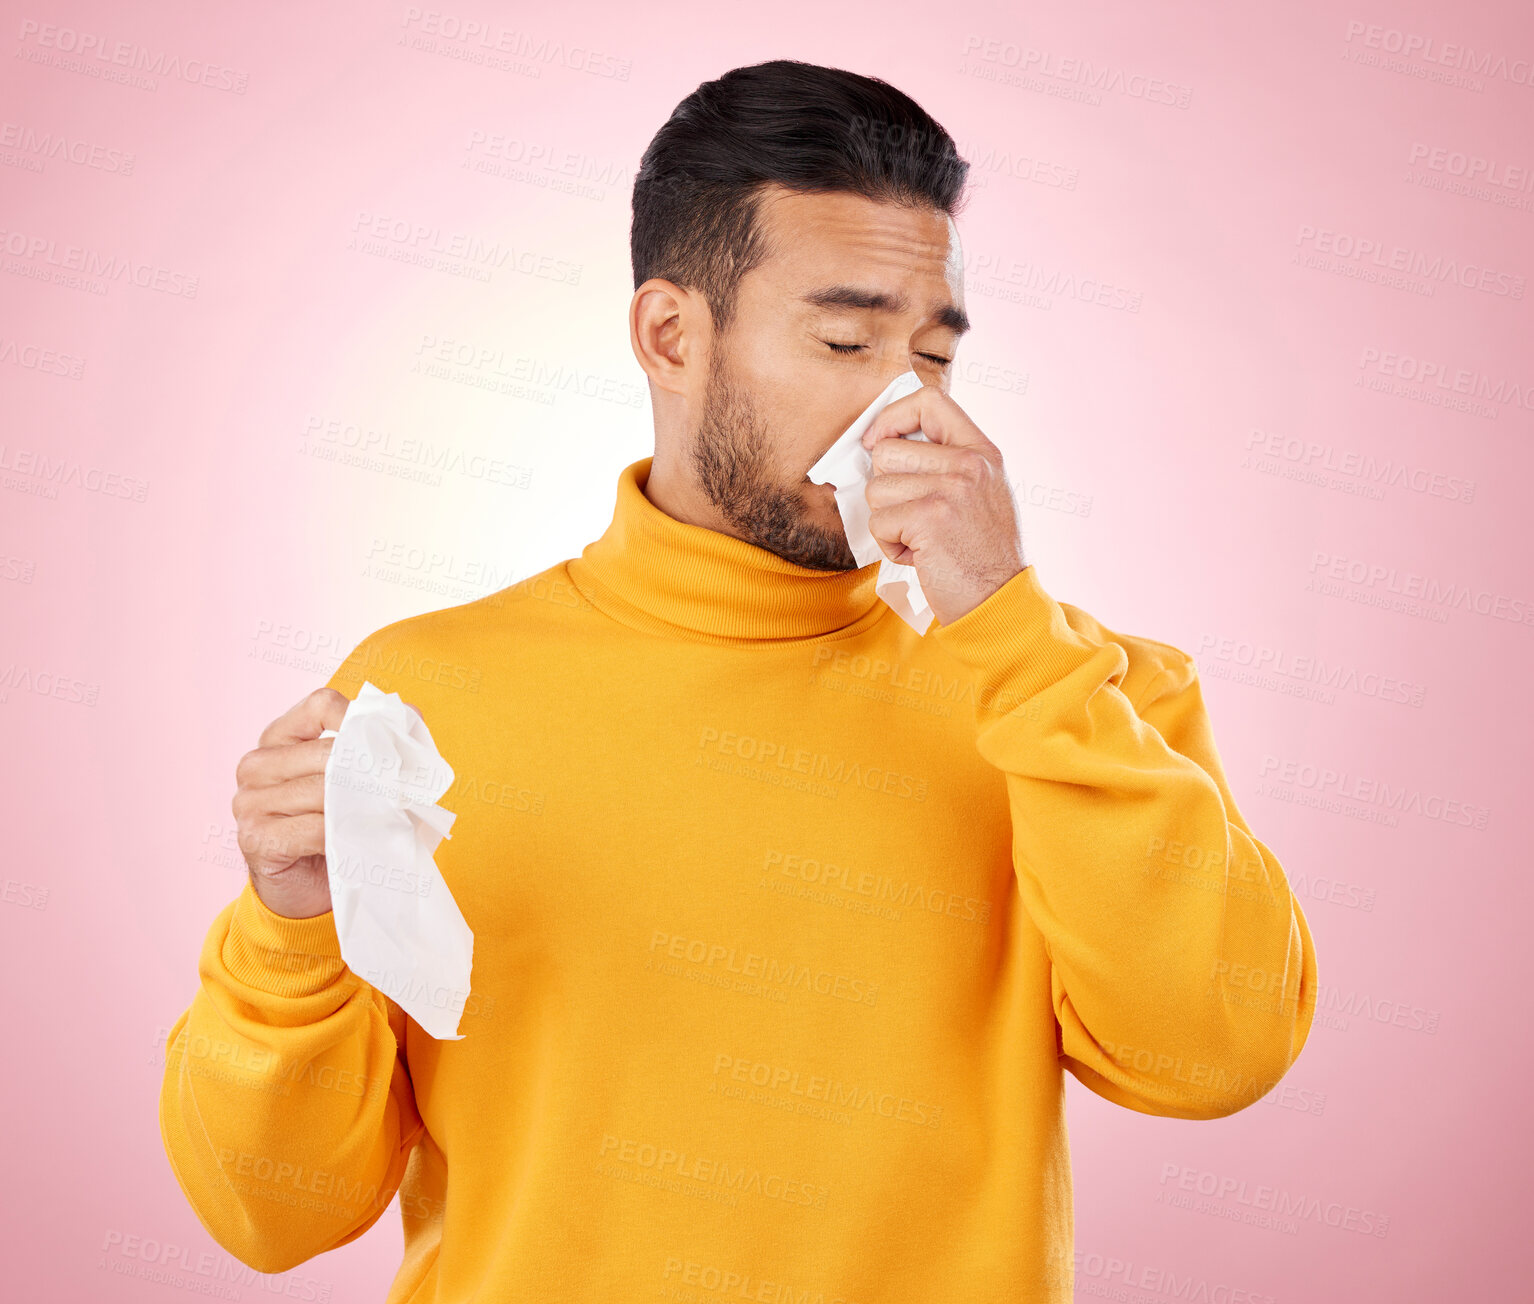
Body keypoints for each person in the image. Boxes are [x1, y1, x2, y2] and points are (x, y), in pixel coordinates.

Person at [159, 57, 1317, 1302]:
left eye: (932, 353)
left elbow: (1212, 1056)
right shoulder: (419, 697)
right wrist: (289, 927)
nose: (903, 406)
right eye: (844, 339)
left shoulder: (1078, 693)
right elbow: (272, 1216)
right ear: (670, 334)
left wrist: (1008, 632)